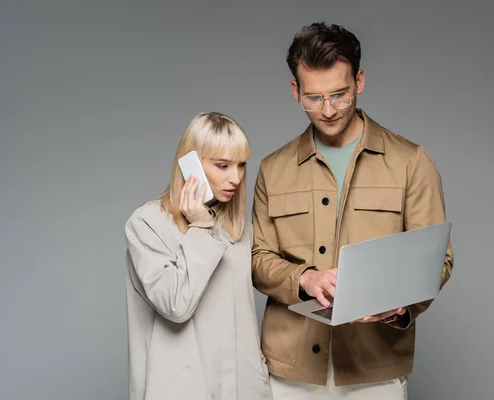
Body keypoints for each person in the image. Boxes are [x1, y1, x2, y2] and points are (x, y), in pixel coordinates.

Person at [251, 22, 454, 399]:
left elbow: (437, 259)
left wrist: (397, 305)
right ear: (295, 91)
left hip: (373, 369)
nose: (327, 110)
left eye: (340, 95)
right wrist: (305, 279)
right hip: (289, 369)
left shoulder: (411, 162)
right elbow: (258, 258)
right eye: (313, 98)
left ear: (359, 81)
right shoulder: (272, 168)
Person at [124, 111, 272, 400]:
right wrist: (200, 228)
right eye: (222, 165)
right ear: (188, 164)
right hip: (181, 387)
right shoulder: (147, 224)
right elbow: (176, 305)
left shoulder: (238, 230)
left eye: (241, 165)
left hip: (242, 386)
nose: (236, 177)